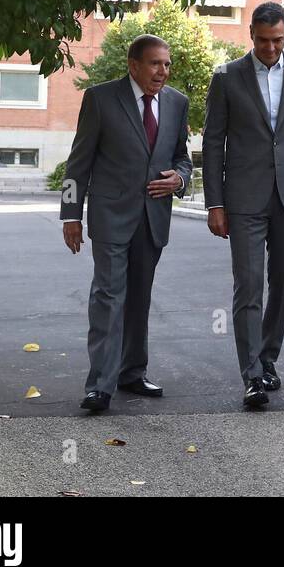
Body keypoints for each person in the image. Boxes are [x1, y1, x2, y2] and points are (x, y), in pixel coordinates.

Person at [203, 1, 284, 408]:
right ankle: (252, 375)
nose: (270, 48)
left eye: (277, 40)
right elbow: (212, 142)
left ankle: (268, 357)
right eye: (262, 40)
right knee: (249, 284)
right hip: (243, 197)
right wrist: (215, 203)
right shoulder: (226, 77)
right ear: (251, 36)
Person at [61, 34, 192, 413]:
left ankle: (133, 372)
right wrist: (71, 214)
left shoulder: (177, 103)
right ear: (133, 65)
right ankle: (99, 385)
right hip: (110, 217)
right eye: (155, 64)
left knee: (139, 298)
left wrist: (179, 180)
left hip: (153, 218)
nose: (162, 71)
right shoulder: (101, 99)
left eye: (166, 64)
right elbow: (78, 162)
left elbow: (182, 158)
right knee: (108, 295)